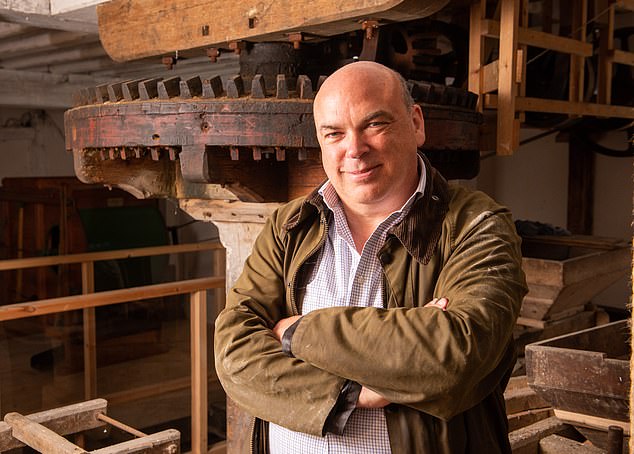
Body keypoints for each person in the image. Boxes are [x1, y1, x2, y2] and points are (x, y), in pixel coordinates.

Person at [214, 61, 528, 453]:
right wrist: (351, 393)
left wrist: (295, 333)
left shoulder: (475, 225)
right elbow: (233, 354)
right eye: (334, 134)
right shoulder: (290, 226)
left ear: (415, 123)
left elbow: (454, 356)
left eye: (374, 125)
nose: (355, 149)